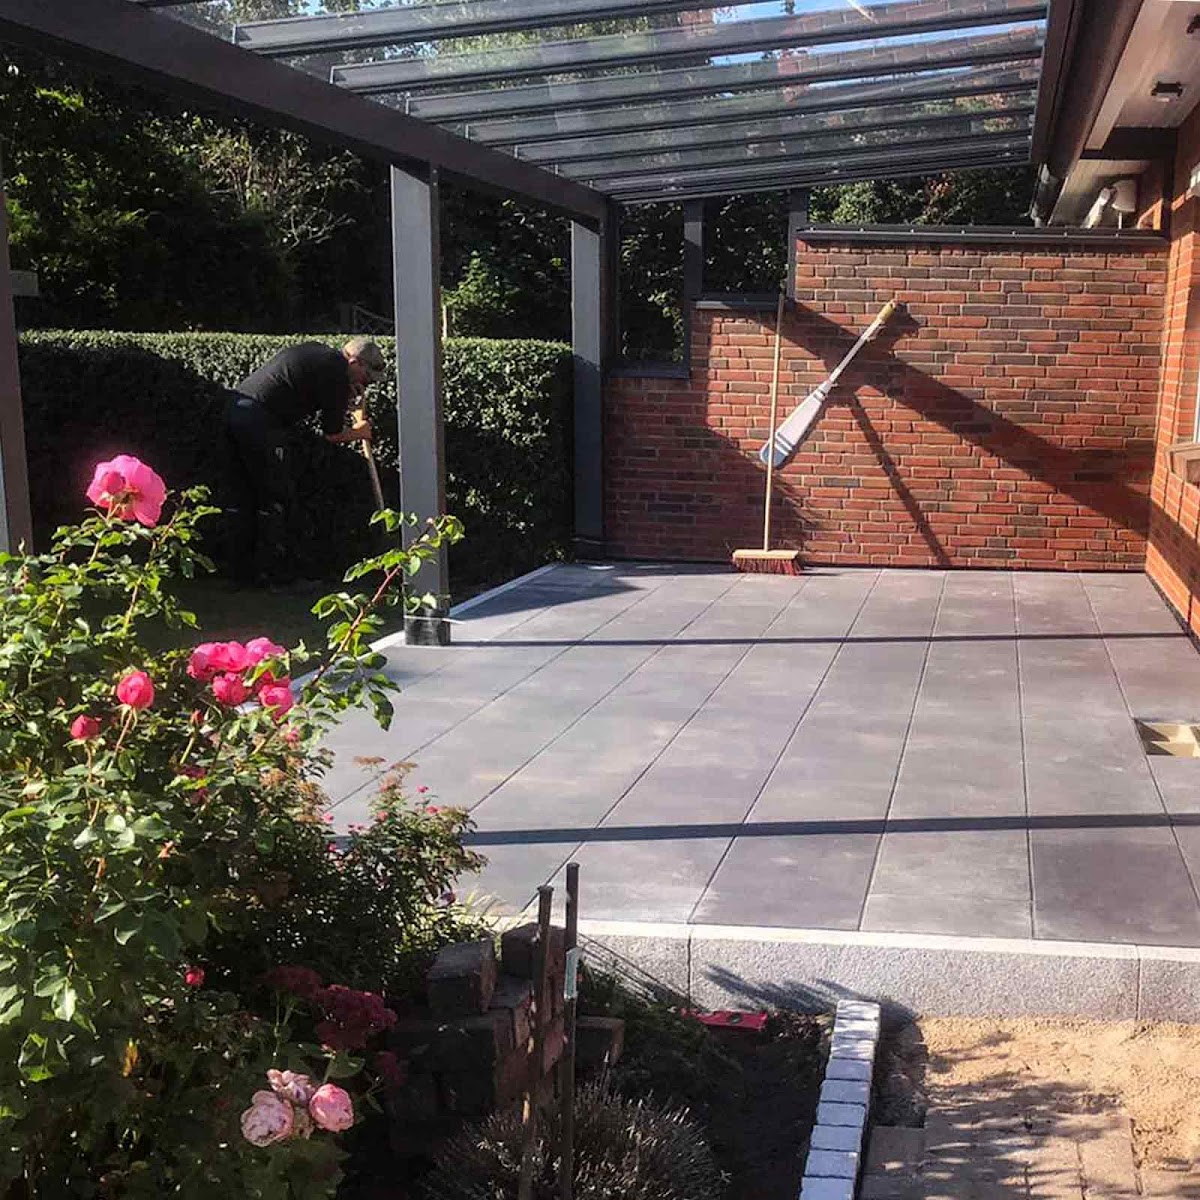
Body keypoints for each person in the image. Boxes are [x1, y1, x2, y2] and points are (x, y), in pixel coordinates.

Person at [222, 336, 386, 586]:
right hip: (259, 424)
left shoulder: (322, 355)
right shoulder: (335, 372)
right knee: (279, 498)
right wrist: (360, 432)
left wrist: (344, 396)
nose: (365, 384)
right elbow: (332, 433)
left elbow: (311, 390)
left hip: (237, 412)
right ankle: (279, 578)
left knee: (247, 497)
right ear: (355, 362)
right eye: (366, 378)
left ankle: (241, 576)